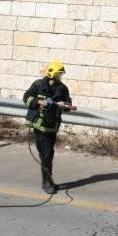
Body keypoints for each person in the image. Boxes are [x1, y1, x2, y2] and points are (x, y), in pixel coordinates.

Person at [23, 61, 74, 194]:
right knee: (46, 154)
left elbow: (68, 104)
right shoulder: (38, 85)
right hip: (40, 126)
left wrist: (65, 105)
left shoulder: (63, 89)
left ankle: (48, 180)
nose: (60, 77)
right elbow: (26, 98)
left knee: (48, 154)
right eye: (58, 74)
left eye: (61, 74)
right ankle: (47, 183)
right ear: (52, 73)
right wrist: (39, 101)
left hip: (52, 127)